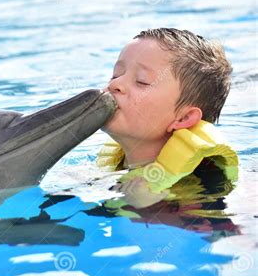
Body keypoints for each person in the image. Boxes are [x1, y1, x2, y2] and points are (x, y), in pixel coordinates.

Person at [97, 28, 238, 208]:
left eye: (141, 81)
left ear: (184, 118)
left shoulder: (202, 183)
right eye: (116, 75)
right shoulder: (116, 164)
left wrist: (153, 208)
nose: (115, 84)